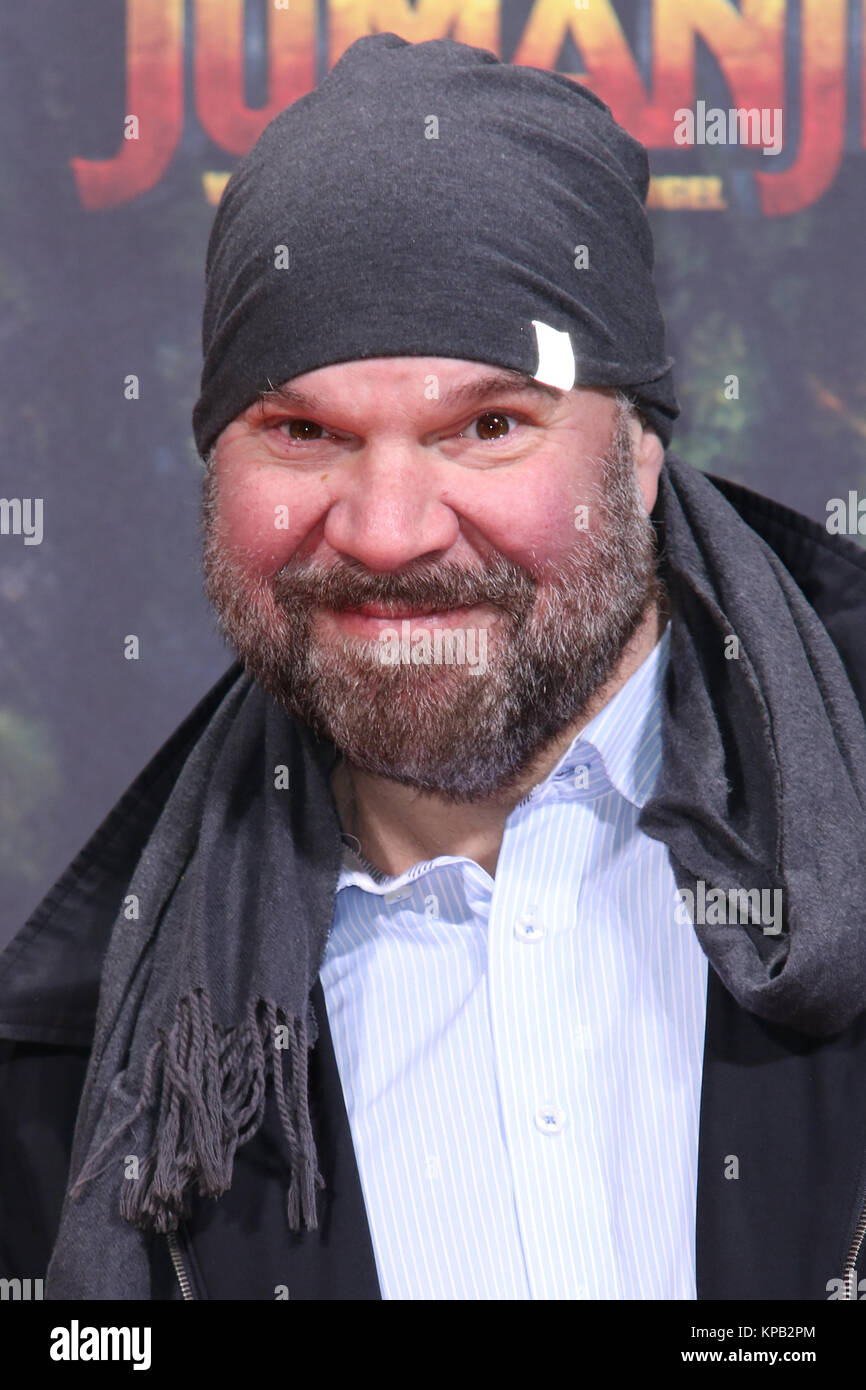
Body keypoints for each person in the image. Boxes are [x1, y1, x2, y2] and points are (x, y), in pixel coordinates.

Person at [2, 32, 866, 1303]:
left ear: (635, 459)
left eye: (488, 425)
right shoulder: (79, 1083)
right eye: (302, 431)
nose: (387, 529)